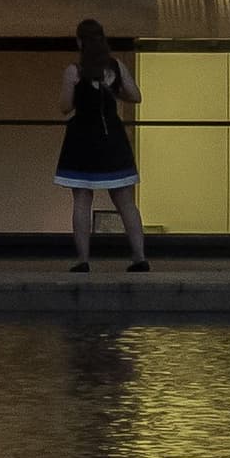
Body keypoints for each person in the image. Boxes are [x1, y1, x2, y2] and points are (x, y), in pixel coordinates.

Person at [55, 20, 146, 273]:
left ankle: (83, 259)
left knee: (82, 200)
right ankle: (139, 256)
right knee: (126, 202)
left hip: (82, 141)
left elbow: (65, 106)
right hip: (113, 139)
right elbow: (135, 95)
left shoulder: (74, 71)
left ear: (80, 42)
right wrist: (114, 93)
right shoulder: (116, 67)